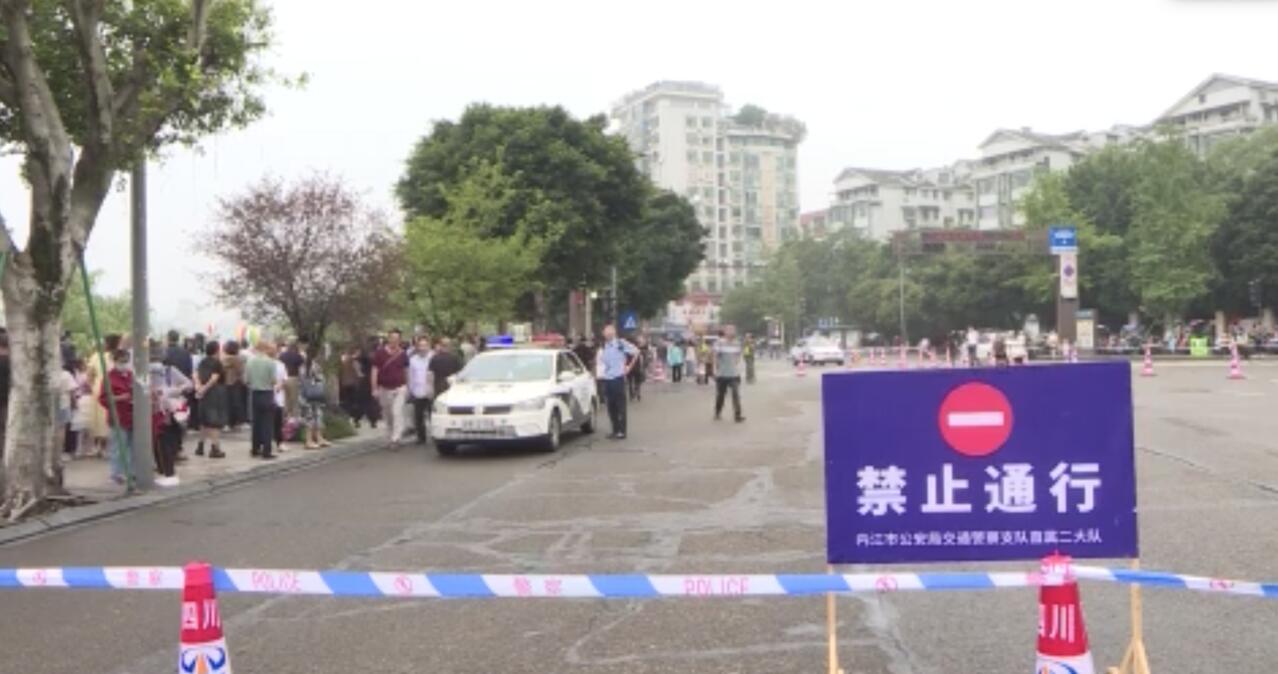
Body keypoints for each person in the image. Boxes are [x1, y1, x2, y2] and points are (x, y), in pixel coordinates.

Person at [152, 353, 192, 487]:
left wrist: (173, 390)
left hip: (170, 413)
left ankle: (169, 474)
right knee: (162, 443)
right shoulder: (144, 372)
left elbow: (189, 384)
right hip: (157, 412)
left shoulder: (170, 371)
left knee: (166, 443)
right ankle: (166, 472)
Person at [98, 350, 134, 484]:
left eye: (126, 361)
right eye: (121, 361)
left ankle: (131, 472)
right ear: (115, 361)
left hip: (132, 416)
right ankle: (116, 474)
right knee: (118, 447)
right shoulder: (109, 378)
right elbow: (103, 399)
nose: (124, 364)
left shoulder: (131, 375)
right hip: (117, 416)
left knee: (131, 446)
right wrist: (120, 398)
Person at [597, 324, 638, 440]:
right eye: (606, 332)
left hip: (618, 378)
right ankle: (615, 430)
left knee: (620, 406)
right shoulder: (604, 346)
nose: (608, 334)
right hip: (607, 379)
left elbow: (636, 352)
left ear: (614, 333)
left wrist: (629, 367)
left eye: (610, 332)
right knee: (611, 406)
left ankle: (622, 431)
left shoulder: (620, 343)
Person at [371, 328, 409, 447]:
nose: (394, 341)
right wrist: (374, 388)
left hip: (399, 388)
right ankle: (390, 435)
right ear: (388, 339)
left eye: (397, 339)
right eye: (392, 338)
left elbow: (406, 370)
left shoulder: (403, 354)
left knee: (397, 412)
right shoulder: (380, 353)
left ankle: (395, 438)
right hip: (384, 388)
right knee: (387, 414)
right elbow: (374, 371)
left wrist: (408, 386)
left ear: (400, 340)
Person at [193, 341, 228, 459]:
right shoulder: (217, 363)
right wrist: (204, 389)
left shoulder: (202, 361)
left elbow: (195, 374)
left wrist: (199, 387)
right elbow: (214, 378)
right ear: (217, 350)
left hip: (204, 394)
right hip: (215, 394)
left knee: (204, 421)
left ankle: (200, 446)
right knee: (214, 422)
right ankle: (215, 448)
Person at [245, 340, 279, 459]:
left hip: (254, 394)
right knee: (267, 423)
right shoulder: (271, 362)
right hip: (267, 393)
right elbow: (273, 380)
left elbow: (247, 380)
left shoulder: (250, 361)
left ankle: (255, 448)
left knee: (256, 422)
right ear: (265, 348)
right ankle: (266, 451)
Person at [300, 344, 330, 450]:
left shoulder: (309, 365)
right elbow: (312, 380)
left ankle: (318, 438)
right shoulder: (310, 366)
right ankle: (309, 440)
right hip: (310, 394)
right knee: (311, 416)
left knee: (316, 415)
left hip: (310, 394)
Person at [713, 325, 746, 423]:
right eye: (729, 330)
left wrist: (736, 363)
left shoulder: (737, 344)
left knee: (736, 394)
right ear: (725, 332)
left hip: (734, 374)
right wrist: (715, 369)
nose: (732, 332)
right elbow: (715, 356)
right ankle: (718, 412)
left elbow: (738, 355)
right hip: (722, 374)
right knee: (721, 395)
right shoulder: (719, 343)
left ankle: (737, 415)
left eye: (733, 330)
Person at [408, 335, 435, 446]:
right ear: (417, 347)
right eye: (420, 345)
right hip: (417, 391)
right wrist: (411, 389)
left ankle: (435, 435)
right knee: (418, 416)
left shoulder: (434, 357)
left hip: (431, 391)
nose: (422, 348)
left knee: (432, 415)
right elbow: (411, 376)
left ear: (429, 346)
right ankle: (421, 437)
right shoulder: (413, 360)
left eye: (425, 345)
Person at [278, 337, 306, 420]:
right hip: (293, 378)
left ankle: (285, 417)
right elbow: (302, 366)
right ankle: (293, 418)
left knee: (285, 398)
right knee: (294, 399)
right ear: (295, 346)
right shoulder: (298, 356)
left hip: (283, 379)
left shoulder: (282, 355)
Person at [222, 340, 247, 430]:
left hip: (225, 382)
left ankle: (227, 423)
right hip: (235, 382)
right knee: (237, 403)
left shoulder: (223, 359)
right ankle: (238, 422)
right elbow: (240, 371)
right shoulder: (238, 359)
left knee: (226, 404)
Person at [339, 344, 364, 426]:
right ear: (356, 351)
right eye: (359, 352)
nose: (360, 353)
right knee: (355, 402)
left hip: (345, 383)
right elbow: (359, 373)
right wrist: (362, 376)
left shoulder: (344, 359)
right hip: (354, 384)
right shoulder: (354, 361)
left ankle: (349, 417)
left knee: (348, 401)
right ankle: (355, 419)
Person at [273, 349, 289, 454]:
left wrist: (279, 386)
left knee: (276, 421)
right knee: (277, 421)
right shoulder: (280, 365)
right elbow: (285, 380)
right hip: (277, 396)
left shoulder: (280, 365)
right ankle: (279, 443)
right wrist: (280, 386)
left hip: (275, 396)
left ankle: (278, 442)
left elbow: (284, 380)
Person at [627, 336, 649, 402]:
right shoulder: (638, 351)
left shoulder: (627, 351)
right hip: (637, 368)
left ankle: (631, 395)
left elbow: (624, 360)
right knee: (638, 382)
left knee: (630, 382)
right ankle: (637, 392)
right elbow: (642, 360)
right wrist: (643, 368)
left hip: (629, 368)